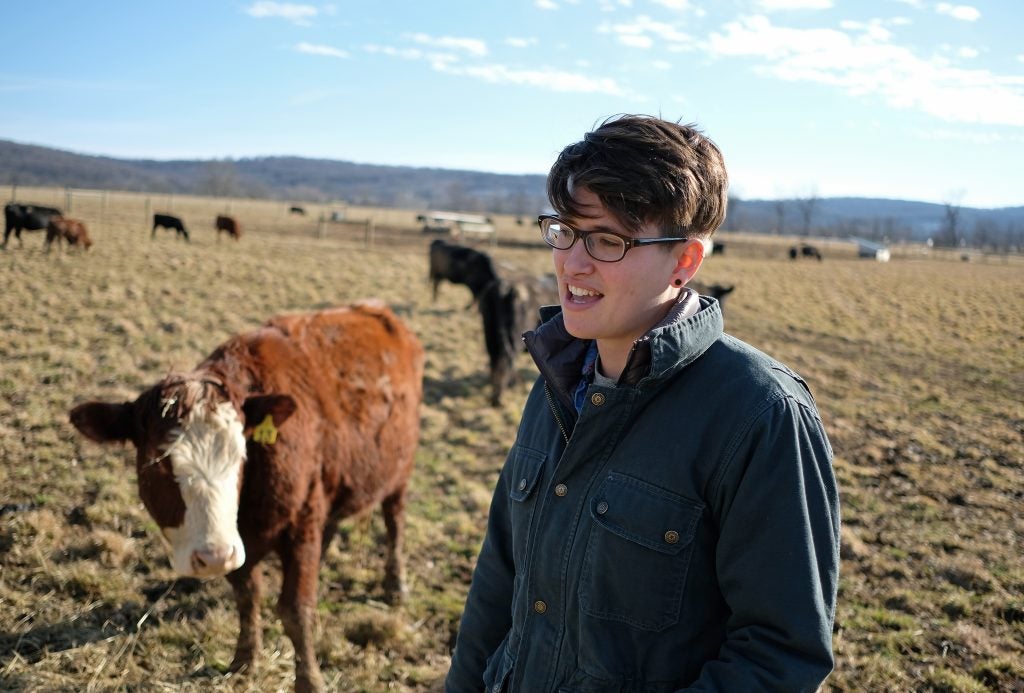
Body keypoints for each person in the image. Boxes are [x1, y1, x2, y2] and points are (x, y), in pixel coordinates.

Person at [444, 114, 840, 692]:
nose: (572, 263)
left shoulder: (761, 415)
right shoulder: (554, 379)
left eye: (609, 240)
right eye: (565, 230)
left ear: (684, 262)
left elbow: (780, 655)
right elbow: (499, 581)